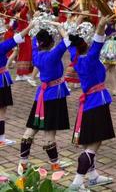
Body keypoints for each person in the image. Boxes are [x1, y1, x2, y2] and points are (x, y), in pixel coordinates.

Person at [67, 15, 116, 191]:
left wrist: (76, 22)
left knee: (91, 141)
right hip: (97, 102)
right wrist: (101, 25)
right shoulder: (90, 58)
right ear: (86, 43)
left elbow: (68, 39)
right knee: (93, 145)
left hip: (88, 102)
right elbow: (98, 41)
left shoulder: (75, 55)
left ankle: (93, 176)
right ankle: (77, 182)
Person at [20, 14, 72, 172]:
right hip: (53, 95)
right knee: (49, 132)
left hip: (40, 95)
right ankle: (54, 164)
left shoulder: (36, 54)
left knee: (32, 128)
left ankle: (23, 161)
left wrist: (35, 22)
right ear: (50, 42)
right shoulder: (53, 54)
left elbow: (35, 41)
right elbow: (68, 41)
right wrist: (58, 26)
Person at [0, 19, 33, 147]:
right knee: (2, 110)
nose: (3, 35)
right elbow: (18, 37)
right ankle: (1, 138)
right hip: (1, 81)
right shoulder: (2, 46)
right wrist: (30, 26)